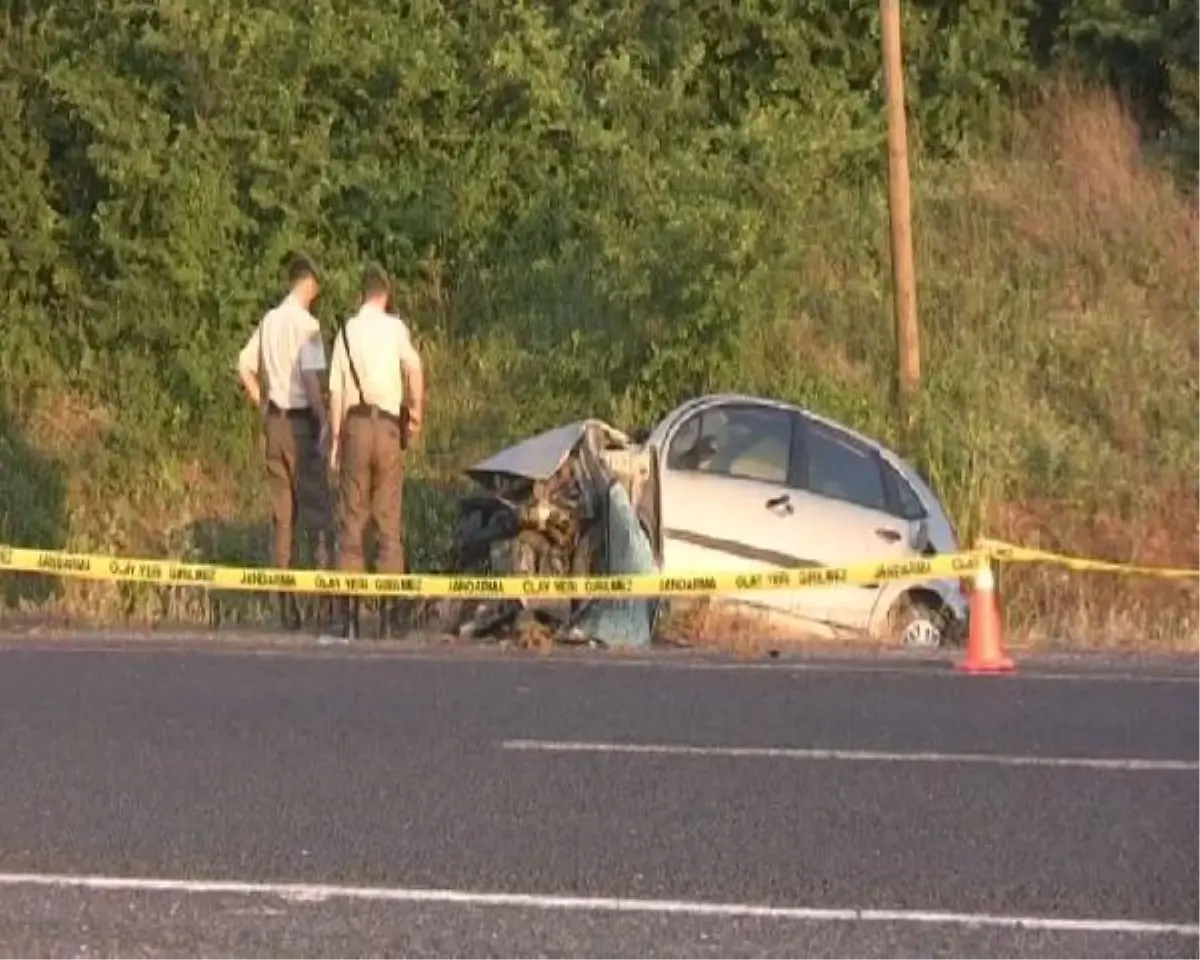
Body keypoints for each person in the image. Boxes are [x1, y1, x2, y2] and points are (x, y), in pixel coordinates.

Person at [235, 254, 334, 630]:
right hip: (300, 426)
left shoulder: (269, 320)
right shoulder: (307, 325)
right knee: (318, 514)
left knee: (283, 520)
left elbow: (243, 366)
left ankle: (286, 609)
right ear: (307, 284)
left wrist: (262, 401)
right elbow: (310, 380)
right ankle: (325, 605)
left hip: (274, 423)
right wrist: (324, 420)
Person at [327, 263, 425, 639]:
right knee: (387, 519)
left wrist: (336, 440)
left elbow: (336, 391)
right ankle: (386, 619)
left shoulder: (347, 331)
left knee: (352, 520)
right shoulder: (395, 328)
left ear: (362, 294)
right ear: (385, 296)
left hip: (354, 427)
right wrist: (414, 416)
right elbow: (415, 369)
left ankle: (349, 620)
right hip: (386, 428)